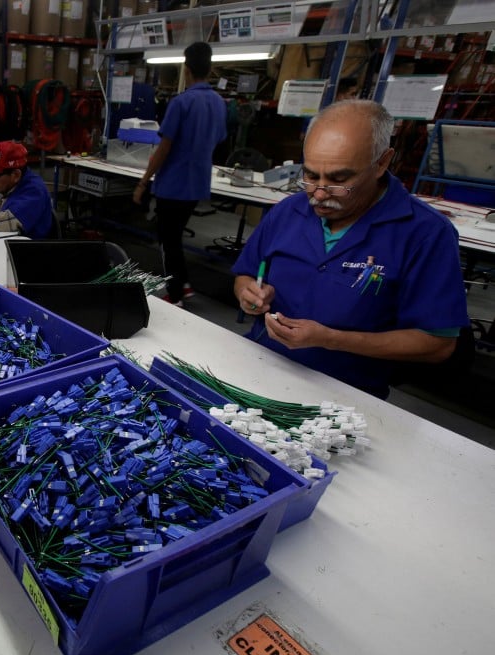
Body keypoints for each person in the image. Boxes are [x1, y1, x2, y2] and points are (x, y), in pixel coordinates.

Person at [232, 99, 469, 398]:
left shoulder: (425, 233)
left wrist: (331, 339)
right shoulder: (288, 211)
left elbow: (438, 343)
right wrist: (247, 293)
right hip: (259, 365)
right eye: (310, 175)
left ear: (382, 162)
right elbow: (245, 274)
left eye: (339, 180)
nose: (318, 193)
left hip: (344, 396)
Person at [132, 42, 227, 306]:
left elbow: (163, 149)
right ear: (210, 68)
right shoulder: (219, 103)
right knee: (175, 236)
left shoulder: (181, 102)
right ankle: (182, 285)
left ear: (186, 69)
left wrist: (143, 182)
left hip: (173, 185)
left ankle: (176, 294)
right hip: (197, 185)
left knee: (167, 240)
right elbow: (218, 139)